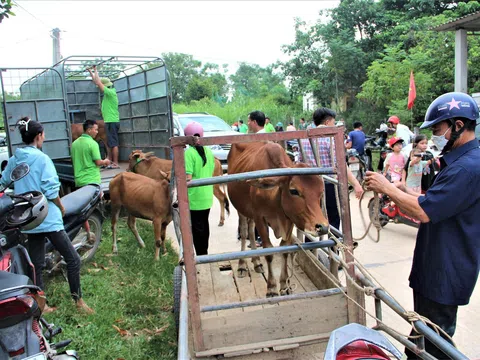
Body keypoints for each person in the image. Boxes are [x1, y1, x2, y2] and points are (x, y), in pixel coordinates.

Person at [365, 92, 480, 359]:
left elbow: (424, 211)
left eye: (438, 129)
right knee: (423, 337)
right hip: (438, 266)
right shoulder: (461, 162)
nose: (435, 136)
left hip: (445, 271)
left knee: (433, 343)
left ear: (458, 126)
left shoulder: (467, 168)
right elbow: (437, 202)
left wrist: (387, 188)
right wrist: (404, 189)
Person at [1, 117, 93, 314]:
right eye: (43, 135)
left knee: (37, 265)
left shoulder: (15, 159)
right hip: (47, 218)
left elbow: (4, 182)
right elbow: (51, 191)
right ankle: (78, 302)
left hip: (27, 220)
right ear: (39, 136)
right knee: (73, 259)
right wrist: (60, 207)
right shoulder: (43, 159)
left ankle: (42, 305)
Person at [298, 108, 364, 230]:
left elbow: (299, 163)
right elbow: (340, 164)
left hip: (310, 186)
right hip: (328, 184)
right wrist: (356, 184)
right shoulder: (331, 139)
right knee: (333, 217)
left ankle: (310, 247)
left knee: (311, 216)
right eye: (333, 122)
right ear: (328, 122)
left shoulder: (303, 138)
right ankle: (333, 248)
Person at [184, 121, 215, 255]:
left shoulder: (189, 153)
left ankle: (201, 256)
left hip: (194, 197)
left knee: (197, 229)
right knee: (204, 225)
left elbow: (188, 177)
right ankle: (205, 253)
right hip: (207, 195)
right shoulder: (209, 151)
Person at [88, 66, 120, 169]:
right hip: (109, 121)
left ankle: (115, 163)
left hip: (112, 121)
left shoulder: (111, 93)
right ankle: (109, 161)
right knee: (110, 143)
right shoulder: (108, 94)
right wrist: (90, 71)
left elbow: (98, 83)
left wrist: (95, 70)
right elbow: (96, 82)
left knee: (113, 143)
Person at [71, 120, 111, 188]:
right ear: (89, 130)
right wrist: (105, 161)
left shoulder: (74, 144)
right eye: (95, 130)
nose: (97, 132)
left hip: (79, 181)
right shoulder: (93, 144)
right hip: (92, 181)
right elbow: (98, 162)